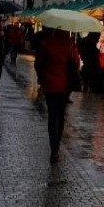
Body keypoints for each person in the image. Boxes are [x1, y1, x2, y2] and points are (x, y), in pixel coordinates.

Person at [34, 27, 81, 163]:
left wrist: (42, 78)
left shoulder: (47, 43)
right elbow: (77, 62)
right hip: (65, 86)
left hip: (50, 84)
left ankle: (52, 146)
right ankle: (57, 148)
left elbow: (38, 64)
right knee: (60, 116)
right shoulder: (71, 44)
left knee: (52, 115)